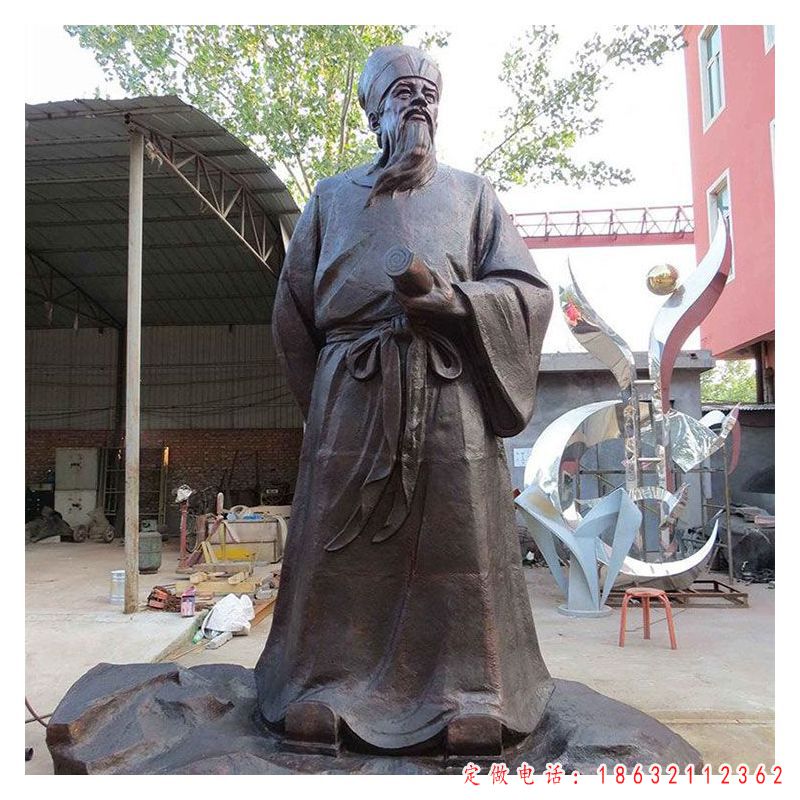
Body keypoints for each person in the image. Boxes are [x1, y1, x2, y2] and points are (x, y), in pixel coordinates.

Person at [255, 44, 554, 757]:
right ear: (373, 112)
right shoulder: (330, 198)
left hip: (449, 393)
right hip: (352, 392)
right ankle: (323, 685)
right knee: (341, 546)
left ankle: (471, 692)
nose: (418, 101)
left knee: (455, 546)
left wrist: (457, 303)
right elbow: (292, 313)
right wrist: (325, 407)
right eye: (401, 91)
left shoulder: (474, 195)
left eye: (428, 91)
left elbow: (527, 293)